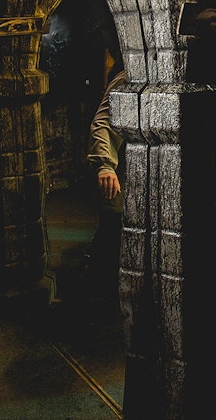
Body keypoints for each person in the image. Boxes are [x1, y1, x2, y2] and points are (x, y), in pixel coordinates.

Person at [85, 59, 126, 301]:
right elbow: (103, 123)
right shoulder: (126, 78)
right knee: (111, 235)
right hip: (123, 180)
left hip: (138, 182)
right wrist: (105, 166)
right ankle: (99, 295)